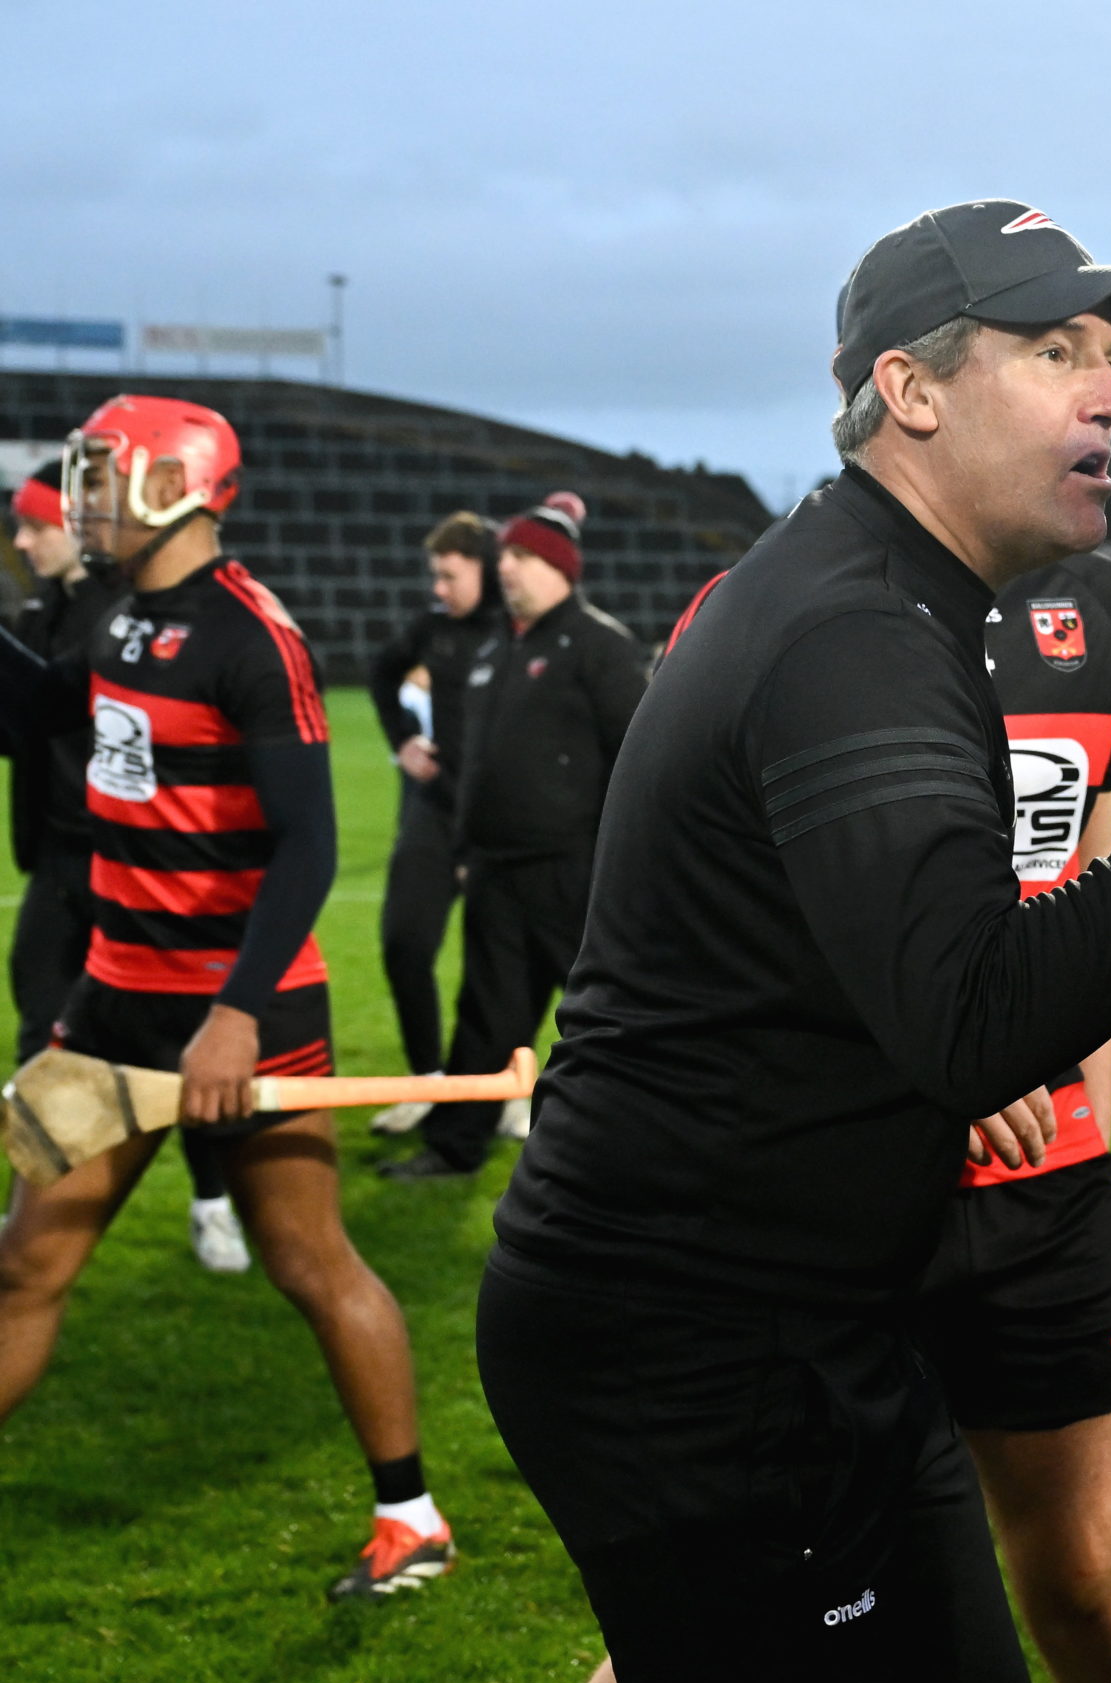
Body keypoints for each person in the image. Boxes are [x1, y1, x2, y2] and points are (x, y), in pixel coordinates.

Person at [471, 199, 1111, 1683]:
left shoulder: (889, 599)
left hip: (796, 1302)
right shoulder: (857, 625)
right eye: (1058, 350)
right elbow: (975, 1014)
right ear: (912, 389)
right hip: (692, 1327)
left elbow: (886, 977)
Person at [535, 548, 1111, 1683]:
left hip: (1044, 1193)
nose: (1098, 437)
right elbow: (715, 894)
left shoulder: (1104, 610)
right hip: (839, 1188)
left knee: (1103, 1592)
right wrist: (928, 1049)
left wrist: (1086, 1158)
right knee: (707, 1631)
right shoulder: (793, 605)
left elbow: (1088, 876)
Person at [0, 395, 449, 1601]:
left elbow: (309, 845)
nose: (86, 500)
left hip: (244, 1016)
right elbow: (40, 716)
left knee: (308, 1261)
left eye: (106, 476)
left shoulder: (254, 636)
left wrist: (237, 1016)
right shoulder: (117, 609)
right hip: (111, 1004)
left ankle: (410, 1517)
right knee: (25, 1266)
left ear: (176, 483)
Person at [8, 460, 252, 1272]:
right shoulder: (52, 612)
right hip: (62, 858)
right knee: (42, 1025)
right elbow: (32, 717)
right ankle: (31, 1202)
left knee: (184, 1049)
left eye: (36, 524)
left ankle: (212, 1201)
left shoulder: (149, 617)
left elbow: (303, 836)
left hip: (143, 871)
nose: (24, 541)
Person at [379, 493, 647, 1181]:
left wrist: (615, 867)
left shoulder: (601, 645)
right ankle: (454, 1146)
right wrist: (466, 848)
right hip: (496, 868)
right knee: (485, 1013)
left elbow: (640, 763)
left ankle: (641, 1150)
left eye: (524, 556)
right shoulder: (496, 643)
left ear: (561, 567)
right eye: (506, 556)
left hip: (573, 871)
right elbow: (476, 760)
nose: (507, 568)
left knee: (608, 1019)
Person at [365, 513, 508, 1130]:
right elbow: (381, 673)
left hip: (499, 823)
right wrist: (402, 740)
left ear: (485, 569)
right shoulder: (432, 628)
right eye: (436, 576)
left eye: (449, 576)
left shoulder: (518, 630)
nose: (438, 589)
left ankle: (507, 1090)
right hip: (435, 810)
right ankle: (427, 1082)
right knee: (404, 942)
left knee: (500, 968)